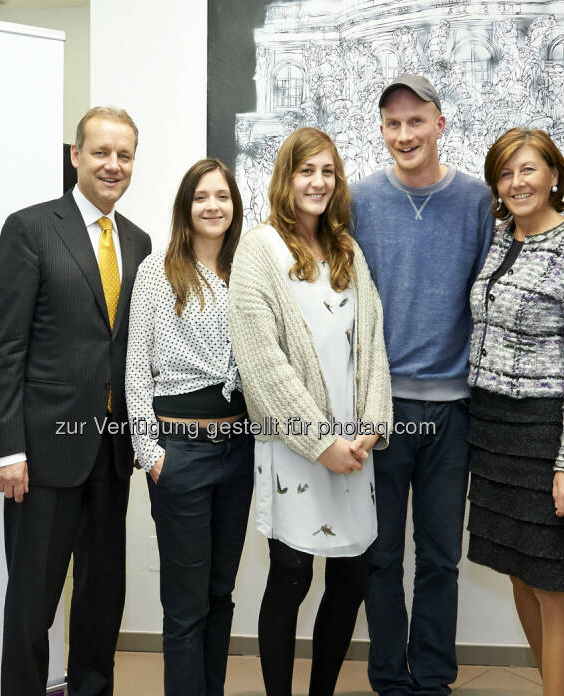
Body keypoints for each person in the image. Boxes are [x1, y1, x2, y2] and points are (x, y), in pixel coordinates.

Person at [0, 106, 152, 696]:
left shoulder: (138, 241)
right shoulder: (30, 228)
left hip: (111, 452)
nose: (113, 165)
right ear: (76, 155)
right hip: (42, 454)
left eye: (124, 155)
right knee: (31, 603)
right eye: (101, 152)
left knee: (103, 599)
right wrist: (5, 448)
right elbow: (4, 346)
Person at [228, 126, 392, 696]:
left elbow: (372, 345)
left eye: (327, 171)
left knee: (351, 578)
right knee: (292, 576)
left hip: (354, 448)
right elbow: (260, 360)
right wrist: (319, 440)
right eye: (306, 171)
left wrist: (369, 427)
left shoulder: (348, 249)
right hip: (295, 445)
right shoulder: (259, 249)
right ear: (286, 177)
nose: (317, 182)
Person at [350, 74, 492, 696]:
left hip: (453, 411)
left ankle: (433, 677)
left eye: (416, 120)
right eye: (392, 123)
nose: (404, 133)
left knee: (440, 557)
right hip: (381, 409)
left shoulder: (479, 201)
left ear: (440, 124)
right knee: (380, 556)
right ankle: (387, 675)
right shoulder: (357, 201)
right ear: (382, 132)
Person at [467, 128, 564, 696]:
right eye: (505, 173)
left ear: (555, 174)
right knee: (519, 572)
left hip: (543, 432)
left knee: (552, 582)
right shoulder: (502, 237)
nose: (516, 182)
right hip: (493, 429)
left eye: (528, 169)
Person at [125, 159, 253, 696]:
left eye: (222, 196)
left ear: (235, 206)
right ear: (186, 205)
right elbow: (135, 363)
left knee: (221, 592)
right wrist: (148, 449)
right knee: (185, 601)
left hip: (238, 449)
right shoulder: (159, 269)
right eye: (202, 196)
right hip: (179, 448)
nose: (213, 206)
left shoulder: (248, 270)